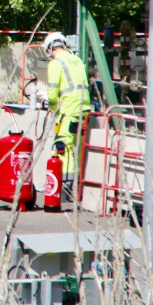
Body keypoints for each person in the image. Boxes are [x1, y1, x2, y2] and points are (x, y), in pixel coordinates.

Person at [42, 32, 90, 201]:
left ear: (49, 48)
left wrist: (53, 107)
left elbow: (52, 93)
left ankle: (65, 191)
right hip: (83, 111)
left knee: (63, 148)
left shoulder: (56, 63)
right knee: (76, 149)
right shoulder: (77, 60)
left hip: (68, 111)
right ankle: (76, 188)